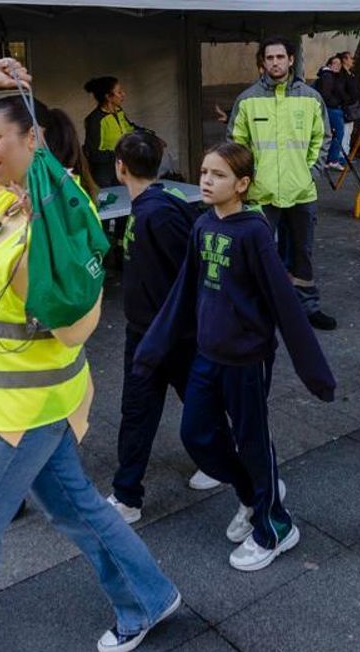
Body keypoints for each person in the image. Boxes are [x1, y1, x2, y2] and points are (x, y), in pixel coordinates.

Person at [0, 57, 181, 652]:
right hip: (10, 402)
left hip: (24, 412)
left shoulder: (61, 213)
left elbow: (77, 322)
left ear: (31, 138)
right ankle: (148, 596)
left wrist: (40, 269)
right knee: (78, 510)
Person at [136, 143, 337, 571]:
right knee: (196, 434)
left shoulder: (253, 232)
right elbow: (183, 293)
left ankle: (275, 526)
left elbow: (285, 302)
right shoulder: (202, 225)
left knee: (252, 442)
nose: (207, 180)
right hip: (207, 355)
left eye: (219, 175)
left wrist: (314, 371)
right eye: (205, 171)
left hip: (248, 358)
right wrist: (152, 348)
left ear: (242, 185)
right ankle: (251, 496)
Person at [106, 132, 221, 524]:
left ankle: (127, 496)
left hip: (163, 335)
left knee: (141, 411)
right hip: (153, 331)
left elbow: (189, 273)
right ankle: (129, 493)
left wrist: (178, 327)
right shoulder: (147, 208)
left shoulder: (160, 212)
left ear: (120, 167)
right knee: (169, 404)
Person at [228, 38, 337, 329]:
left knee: (303, 253)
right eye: (269, 57)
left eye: (280, 57)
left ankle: (307, 307)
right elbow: (236, 146)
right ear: (262, 62)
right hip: (261, 194)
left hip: (302, 192)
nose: (275, 62)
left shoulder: (311, 98)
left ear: (291, 60)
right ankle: (258, 308)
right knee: (258, 255)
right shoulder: (247, 100)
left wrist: (311, 171)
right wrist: (246, 183)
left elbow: (323, 137)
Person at [82, 76, 144, 188]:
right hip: (105, 175)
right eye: (119, 92)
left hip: (122, 170)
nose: (123, 94)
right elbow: (92, 153)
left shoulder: (119, 112)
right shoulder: (95, 120)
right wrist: (118, 154)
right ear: (108, 97)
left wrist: (149, 136)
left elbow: (129, 128)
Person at [315, 54, 350, 171]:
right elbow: (326, 94)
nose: (338, 66)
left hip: (331, 108)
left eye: (340, 64)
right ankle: (333, 160)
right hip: (332, 109)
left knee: (331, 134)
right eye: (335, 63)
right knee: (338, 134)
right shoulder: (328, 76)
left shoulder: (329, 75)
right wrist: (335, 102)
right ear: (329, 65)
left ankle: (329, 159)